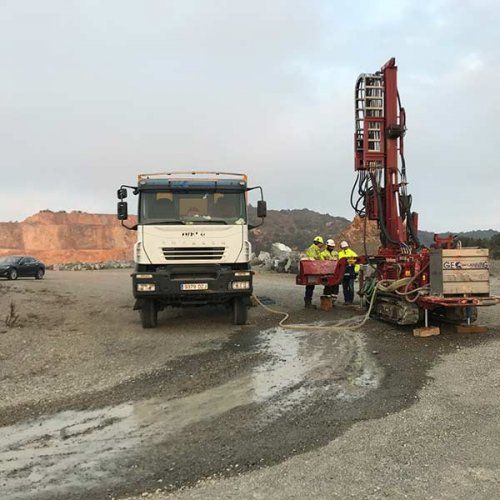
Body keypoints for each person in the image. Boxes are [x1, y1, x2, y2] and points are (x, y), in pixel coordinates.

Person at [303, 236, 324, 308]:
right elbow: (314, 259)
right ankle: (308, 302)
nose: (322, 245)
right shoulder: (313, 249)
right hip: (311, 271)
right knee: (310, 286)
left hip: (312, 270)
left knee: (311, 286)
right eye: (321, 244)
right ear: (319, 243)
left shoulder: (315, 249)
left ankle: (308, 302)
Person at [338, 240, 359, 305]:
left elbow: (357, 263)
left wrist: (355, 271)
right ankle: (347, 300)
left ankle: (349, 300)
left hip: (350, 272)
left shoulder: (352, 254)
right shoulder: (340, 254)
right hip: (344, 273)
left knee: (349, 287)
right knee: (346, 287)